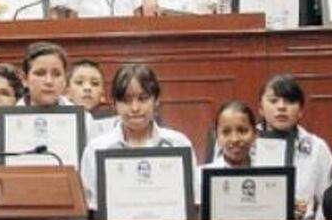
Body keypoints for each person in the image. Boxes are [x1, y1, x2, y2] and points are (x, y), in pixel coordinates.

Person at [79, 64, 197, 210]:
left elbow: (193, 200)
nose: (135, 108)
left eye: (143, 98)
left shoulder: (179, 144)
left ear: (157, 100)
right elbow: (90, 206)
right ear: (115, 103)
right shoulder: (96, 149)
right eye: (126, 100)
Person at [257, 74, 332, 219]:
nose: (281, 107)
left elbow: (328, 201)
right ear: (260, 108)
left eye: (290, 101)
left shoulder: (317, 147)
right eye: (273, 101)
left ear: (300, 111)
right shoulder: (246, 144)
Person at [205, 100, 258, 169]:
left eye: (242, 131)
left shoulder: (268, 172)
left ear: (255, 134)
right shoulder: (201, 175)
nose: (235, 139)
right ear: (216, 136)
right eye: (226, 132)